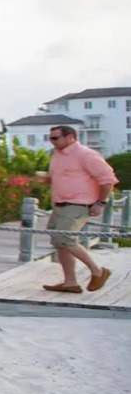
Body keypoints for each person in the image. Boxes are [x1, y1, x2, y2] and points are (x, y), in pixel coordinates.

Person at [36, 125, 118, 293]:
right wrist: (45, 179)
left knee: (65, 239)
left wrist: (101, 203)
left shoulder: (86, 154)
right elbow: (62, 178)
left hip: (78, 204)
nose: (52, 142)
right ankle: (70, 282)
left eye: (55, 138)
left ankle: (98, 271)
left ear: (70, 137)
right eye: (50, 138)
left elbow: (108, 179)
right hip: (59, 204)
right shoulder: (57, 156)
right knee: (60, 243)